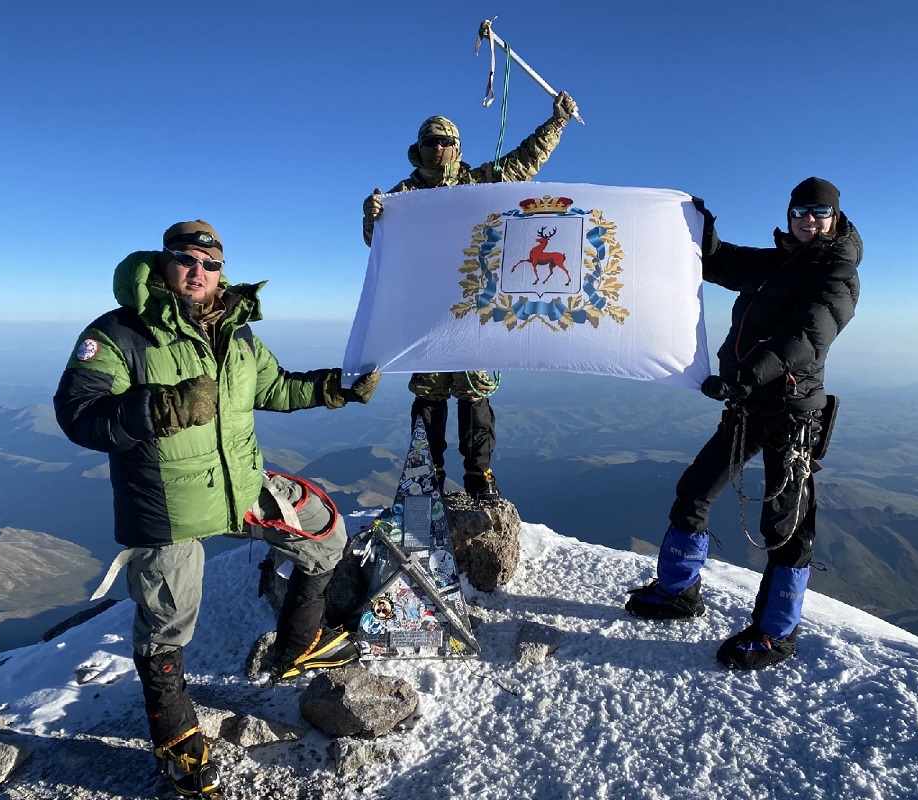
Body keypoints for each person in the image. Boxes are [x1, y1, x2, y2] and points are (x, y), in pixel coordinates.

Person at [53, 220, 380, 798]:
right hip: (166, 502)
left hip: (240, 487)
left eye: (211, 263)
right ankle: (176, 739)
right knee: (167, 623)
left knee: (324, 537)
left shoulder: (238, 335)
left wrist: (336, 386)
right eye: (185, 258)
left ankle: (299, 642)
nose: (199, 270)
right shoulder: (120, 334)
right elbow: (77, 413)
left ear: (221, 272)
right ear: (163, 264)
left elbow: (276, 389)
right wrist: (155, 410)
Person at [626, 178, 862, 670]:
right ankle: (678, 592)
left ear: (835, 217)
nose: (808, 220)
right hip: (747, 406)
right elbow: (719, 263)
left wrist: (749, 375)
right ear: (790, 214)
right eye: (800, 211)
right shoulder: (778, 261)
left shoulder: (837, 273)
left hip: (793, 415)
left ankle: (776, 635)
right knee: (695, 490)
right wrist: (698, 224)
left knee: (785, 526)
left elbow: (808, 336)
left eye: (819, 212)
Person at [362, 91, 580, 502]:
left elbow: (524, 161)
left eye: (444, 142)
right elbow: (377, 244)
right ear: (419, 149)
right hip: (426, 311)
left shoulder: (479, 184)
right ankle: (426, 474)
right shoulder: (401, 196)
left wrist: (557, 123)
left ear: (457, 149)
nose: (438, 148)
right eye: (430, 142)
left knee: (475, 393)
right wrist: (371, 218)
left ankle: (480, 474)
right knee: (428, 394)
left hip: (476, 309)